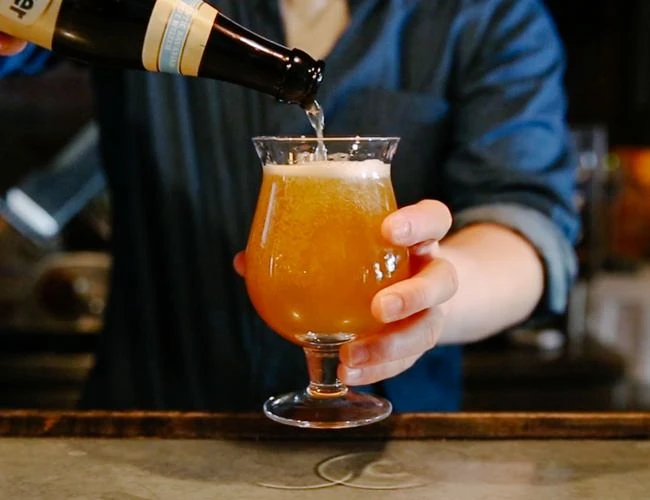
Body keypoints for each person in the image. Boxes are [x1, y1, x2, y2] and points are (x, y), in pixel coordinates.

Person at [0, 0, 578, 412]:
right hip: (154, 427)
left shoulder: (490, 16)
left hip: (396, 452)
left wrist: (434, 298)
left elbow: (526, 224)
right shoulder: (164, 9)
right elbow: (31, 31)